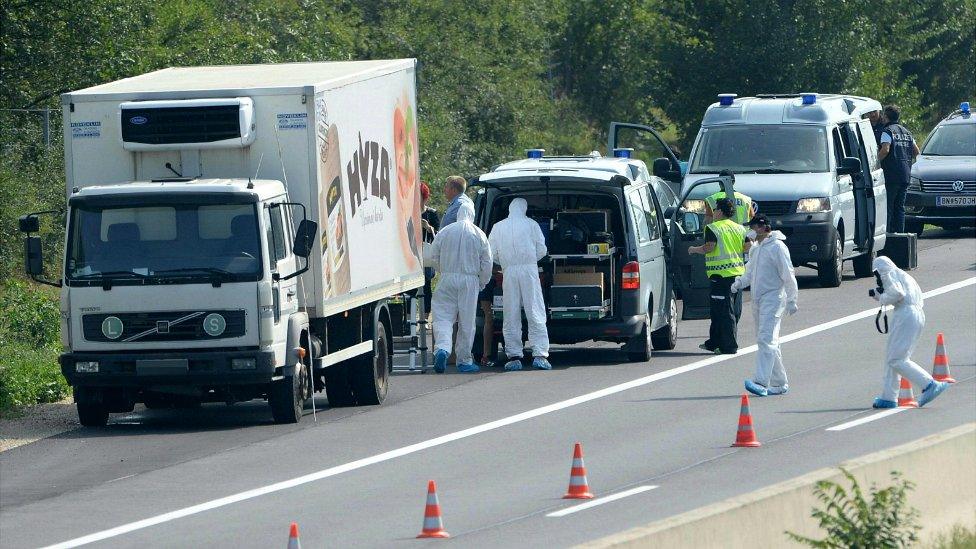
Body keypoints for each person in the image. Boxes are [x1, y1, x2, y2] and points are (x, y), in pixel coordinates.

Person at [731, 215, 798, 396]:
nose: (750, 231)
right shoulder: (757, 249)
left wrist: (792, 298)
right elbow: (750, 272)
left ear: (762, 227)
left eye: (752, 227)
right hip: (758, 299)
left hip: (774, 297)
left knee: (766, 339)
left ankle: (761, 381)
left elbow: (788, 274)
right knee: (768, 341)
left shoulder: (777, 247)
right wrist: (738, 283)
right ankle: (779, 382)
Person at [869, 256, 948, 408]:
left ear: (880, 270)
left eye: (876, 274)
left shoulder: (888, 274)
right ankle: (889, 397)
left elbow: (898, 294)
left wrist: (881, 297)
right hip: (914, 313)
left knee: (896, 359)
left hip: (906, 314)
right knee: (893, 357)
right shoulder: (904, 276)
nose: (877, 277)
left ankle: (929, 384)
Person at [423, 202, 493, 374]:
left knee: (443, 318)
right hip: (469, 281)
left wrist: (443, 270)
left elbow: (433, 255)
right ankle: (464, 360)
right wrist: (482, 282)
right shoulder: (479, 234)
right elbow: (487, 262)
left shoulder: (446, 231)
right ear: (472, 214)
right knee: (467, 322)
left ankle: (442, 349)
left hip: (447, 279)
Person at [488, 197, 551, 371]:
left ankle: (514, 355)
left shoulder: (498, 227)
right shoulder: (532, 224)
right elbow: (542, 249)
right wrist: (530, 260)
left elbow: (491, 253)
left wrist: (506, 263)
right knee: (535, 310)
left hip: (509, 272)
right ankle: (540, 354)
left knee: (511, 313)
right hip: (529, 270)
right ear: (524, 208)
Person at [690, 198, 750, 354]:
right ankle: (714, 342)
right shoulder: (739, 228)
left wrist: (694, 249)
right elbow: (748, 247)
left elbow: (709, 248)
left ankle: (729, 346)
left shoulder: (713, 228)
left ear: (721, 211)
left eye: (715, 210)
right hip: (737, 274)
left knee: (723, 311)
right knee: (728, 310)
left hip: (720, 276)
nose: (714, 213)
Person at [878, 105, 920, 233]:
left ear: (885, 117)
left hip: (891, 175)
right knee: (900, 207)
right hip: (905, 175)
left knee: (889, 206)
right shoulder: (907, 132)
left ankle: (889, 234)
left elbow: (885, 150)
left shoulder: (887, 131)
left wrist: (875, 163)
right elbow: (916, 151)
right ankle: (901, 235)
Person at [419, 182, 440, 315]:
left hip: (426, 254)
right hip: (411, 254)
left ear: (425, 198)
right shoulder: (408, 212)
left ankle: (426, 315)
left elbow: (438, 235)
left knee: (426, 284)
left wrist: (428, 227)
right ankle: (411, 315)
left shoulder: (431, 213)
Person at [477, 269, 499, 368]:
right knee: (489, 318)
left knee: (488, 318)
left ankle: (486, 356)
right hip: (496, 278)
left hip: (485, 278)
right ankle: (486, 355)